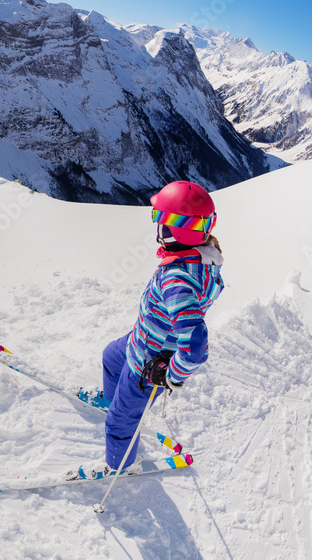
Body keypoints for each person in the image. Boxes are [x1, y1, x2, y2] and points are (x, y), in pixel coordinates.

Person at [84, 180, 224, 478]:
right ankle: (112, 401)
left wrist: (171, 376)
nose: (156, 225)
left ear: (176, 229)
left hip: (147, 363)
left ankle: (119, 464)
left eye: (159, 218)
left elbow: (195, 344)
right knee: (111, 356)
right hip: (141, 341)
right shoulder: (200, 258)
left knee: (120, 422)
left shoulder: (177, 279)